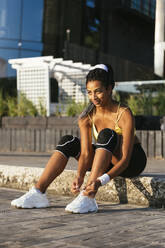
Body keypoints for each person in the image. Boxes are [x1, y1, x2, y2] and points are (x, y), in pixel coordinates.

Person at [11, 64, 147, 213]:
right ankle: (38, 192)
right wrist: (80, 175)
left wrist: (100, 181)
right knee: (68, 141)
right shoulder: (87, 117)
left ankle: (88, 197)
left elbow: (126, 160)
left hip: (132, 163)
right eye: (89, 92)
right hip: (106, 160)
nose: (93, 97)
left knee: (106, 134)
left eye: (98, 91)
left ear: (110, 88)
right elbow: (86, 153)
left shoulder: (124, 113)